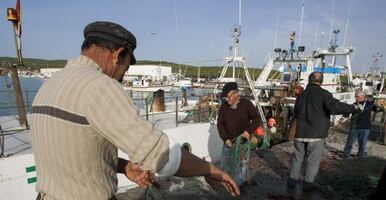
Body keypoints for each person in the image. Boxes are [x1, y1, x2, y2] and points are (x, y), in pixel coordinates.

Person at [30, 21, 239, 200]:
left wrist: (123, 166)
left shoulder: (49, 86)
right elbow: (161, 155)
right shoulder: (100, 86)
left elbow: (72, 151)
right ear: (118, 55)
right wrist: (212, 170)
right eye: (125, 69)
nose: (120, 77)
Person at [288, 72, 356, 190]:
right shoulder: (324, 94)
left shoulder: (301, 95)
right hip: (316, 135)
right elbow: (335, 107)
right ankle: (307, 185)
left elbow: (295, 113)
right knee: (312, 161)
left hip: (300, 134)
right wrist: (352, 108)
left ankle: (292, 181)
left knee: (297, 158)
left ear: (309, 80)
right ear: (321, 81)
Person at [217, 82, 261, 185]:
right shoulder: (223, 108)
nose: (226, 99)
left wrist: (248, 132)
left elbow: (256, 119)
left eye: (228, 97)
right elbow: (220, 125)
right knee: (225, 166)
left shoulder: (246, 104)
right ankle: (226, 185)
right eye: (225, 98)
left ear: (236, 93)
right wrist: (225, 139)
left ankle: (238, 187)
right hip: (228, 144)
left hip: (242, 145)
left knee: (241, 168)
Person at [343, 91, 380, 158]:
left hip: (365, 127)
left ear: (362, 97)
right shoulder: (353, 105)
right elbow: (346, 113)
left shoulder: (370, 104)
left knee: (362, 144)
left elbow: (377, 110)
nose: (355, 97)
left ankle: (360, 156)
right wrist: (345, 113)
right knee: (350, 143)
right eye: (355, 96)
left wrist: (380, 106)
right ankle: (346, 155)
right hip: (354, 127)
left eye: (356, 96)